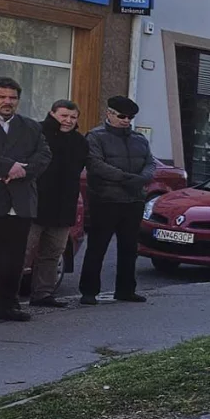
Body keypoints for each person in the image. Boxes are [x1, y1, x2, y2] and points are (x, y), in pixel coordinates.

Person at [0, 78, 51, 322]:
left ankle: (6, 306)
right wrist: (8, 166)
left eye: (12, 98)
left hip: (18, 201)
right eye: (2, 97)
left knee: (12, 260)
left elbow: (44, 155)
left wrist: (23, 171)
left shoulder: (31, 126)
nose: (7, 102)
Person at [80, 95, 154, 304]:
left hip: (133, 201)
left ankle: (126, 290)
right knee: (97, 247)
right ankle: (88, 292)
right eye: (122, 116)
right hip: (106, 200)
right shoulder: (96, 136)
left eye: (130, 117)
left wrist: (142, 179)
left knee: (130, 248)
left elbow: (150, 162)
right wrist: (127, 178)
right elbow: (96, 164)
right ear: (109, 114)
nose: (126, 120)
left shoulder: (139, 139)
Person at [28, 100, 89, 307]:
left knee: (52, 254)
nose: (68, 121)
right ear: (51, 113)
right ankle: (6, 299)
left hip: (63, 209)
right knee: (20, 254)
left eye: (73, 117)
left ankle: (43, 295)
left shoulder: (80, 142)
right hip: (33, 207)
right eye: (63, 116)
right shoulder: (35, 133)